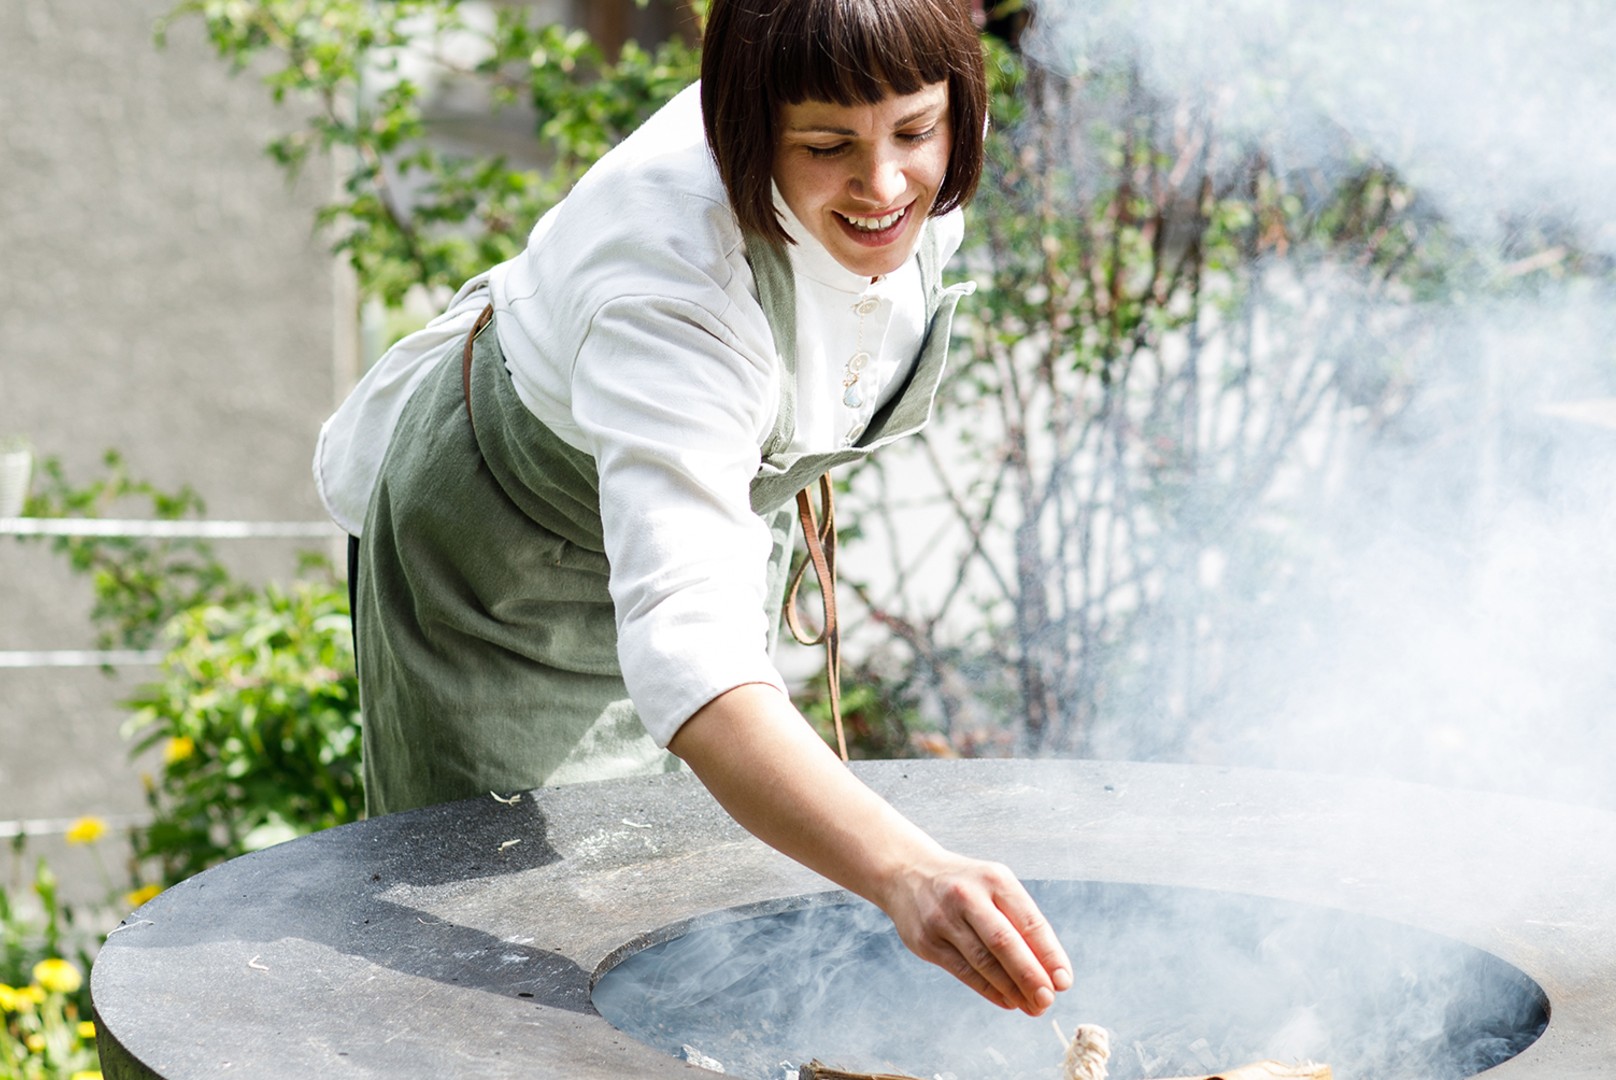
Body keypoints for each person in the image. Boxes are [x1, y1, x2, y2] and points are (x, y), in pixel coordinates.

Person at [313, 0, 1072, 1017]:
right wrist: (904, 871)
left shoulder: (899, 164)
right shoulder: (667, 283)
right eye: (827, 146)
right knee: (524, 944)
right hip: (506, 569)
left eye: (915, 131)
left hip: (669, 516)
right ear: (744, 126)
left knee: (700, 903)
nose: (885, 185)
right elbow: (693, 661)